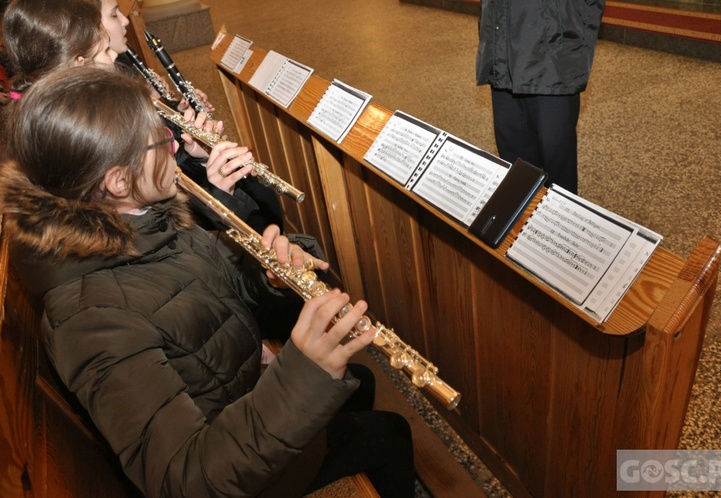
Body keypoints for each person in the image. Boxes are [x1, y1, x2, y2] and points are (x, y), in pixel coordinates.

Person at [0, 66, 415, 498]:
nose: (175, 142)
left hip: (238, 389)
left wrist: (267, 277)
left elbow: (213, 294)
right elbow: (185, 479)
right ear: (119, 181)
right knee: (389, 435)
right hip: (233, 461)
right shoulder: (92, 321)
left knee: (359, 384)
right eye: (160, 139)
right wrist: (304, 372)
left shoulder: (142, 217)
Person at [91, 0, 286, 232]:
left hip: (182, 165)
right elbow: (160, 158)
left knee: (261, 196)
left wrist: (176, 109)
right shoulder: (101, 106)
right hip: (178, 190)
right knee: (256, 209)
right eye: (114, 14)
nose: (125, 21)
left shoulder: (121, 65)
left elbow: (162, 132)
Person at [476, 0, 605, 194]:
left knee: (556, 161)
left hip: (553, 50)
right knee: (516, 164)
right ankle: (520, 219)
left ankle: (558, 220)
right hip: (501, 43)